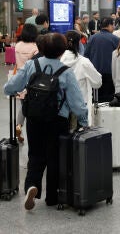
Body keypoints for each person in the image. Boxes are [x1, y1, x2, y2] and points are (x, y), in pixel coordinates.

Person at [4, 33, 88, 211]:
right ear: (62, 50)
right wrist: (83, 120)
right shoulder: (66, 72)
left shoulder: (31, 65)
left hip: (34, 118)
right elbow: (77, 104)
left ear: (41, 48)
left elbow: (11, 87)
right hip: (58, 120)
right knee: (55, 157)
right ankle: (52, 197)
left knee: (35, 154)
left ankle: (32, 186)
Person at [61, 30, 102, 128]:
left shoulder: (58, 60)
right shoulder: (84, 62)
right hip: (80, 105)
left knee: (63, 137)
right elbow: (98, 82)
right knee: (79, 138)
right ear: (78, 44)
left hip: (61, 106)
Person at [84, 17, 120, 102]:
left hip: (94, 73)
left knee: (96, 99)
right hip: (110, 73)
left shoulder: (92, 38)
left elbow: (86, 55)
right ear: (110, 25)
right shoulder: (115, 39)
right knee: (108, 99)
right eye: (113, 25)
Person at [14, 24, 39, 143]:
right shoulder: (35, 47)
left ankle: (19, 125)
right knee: (31, 107)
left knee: (23, 104)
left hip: (19, 77)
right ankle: (26, 129)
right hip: (31, 80)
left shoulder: (18, 46)